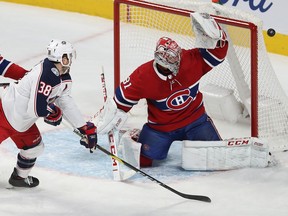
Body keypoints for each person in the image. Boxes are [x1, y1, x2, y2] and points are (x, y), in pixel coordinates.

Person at [96, 12, 228, 167]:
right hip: (161, 129)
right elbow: (120, 102)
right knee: (143, 161)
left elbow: (219, 53)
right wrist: (97, 125)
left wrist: (217, 33)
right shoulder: (143, 76)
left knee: (217, 158)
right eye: (171, 60)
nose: (176, 60)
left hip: (195, 120)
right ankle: (135, 136)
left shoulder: (190, 60)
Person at [0, 39, 97, 188]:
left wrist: (82, 126)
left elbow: (65, 100)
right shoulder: (47, 74)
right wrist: (52, 112)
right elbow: (36, 109)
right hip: (4, 116)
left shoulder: (63, 77)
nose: (71, 60)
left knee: (35, 148)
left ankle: (19, 178)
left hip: (23, 123)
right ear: (62, 58)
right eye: (69, 56)